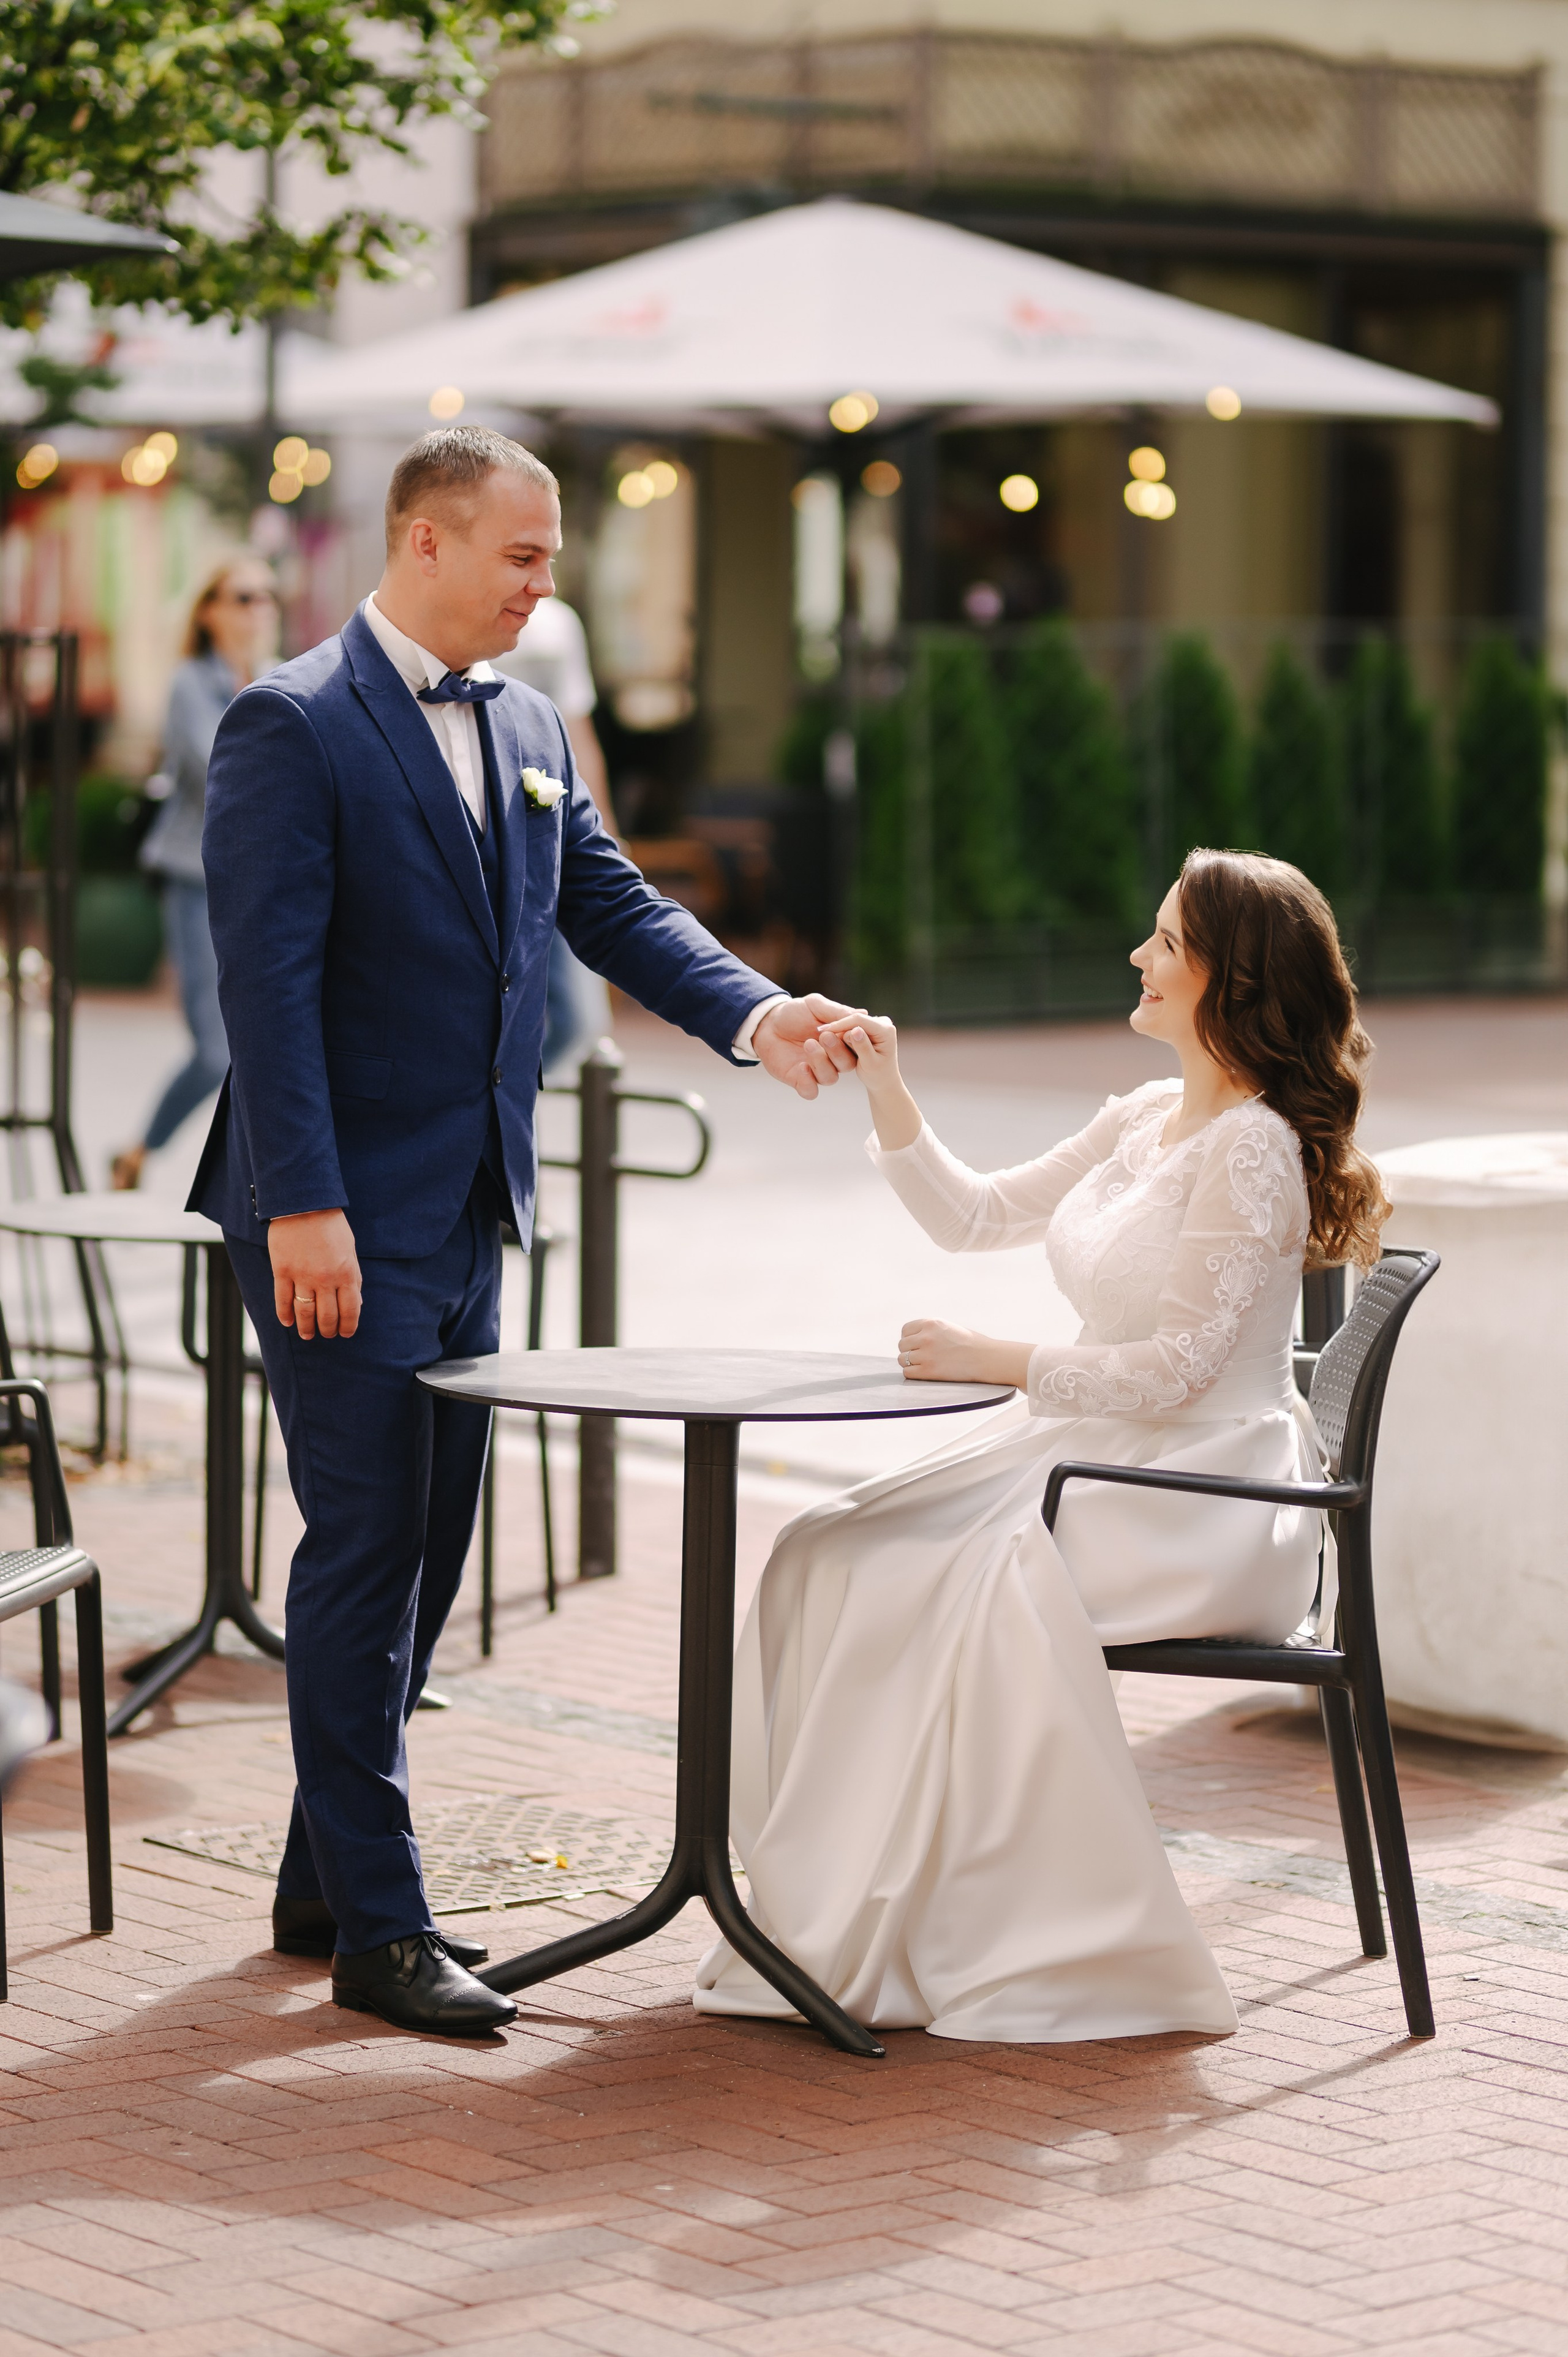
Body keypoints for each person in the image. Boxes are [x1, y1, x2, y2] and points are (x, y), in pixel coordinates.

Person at [192, 423, 861, 2038]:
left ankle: (322, 1880)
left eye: (551, 557)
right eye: (522, 556)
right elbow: (262, 993)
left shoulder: (534, 719)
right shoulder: (289, 724)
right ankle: (384, 1932)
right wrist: (311, 1206)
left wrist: (759, 1018)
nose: (545, 587)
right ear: (424, 542)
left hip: (472, 1204)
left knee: (430, 1556)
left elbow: (610, 904)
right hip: (336, 1218)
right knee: (366, 1549)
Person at [696, 849, 1389, 2043]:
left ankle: (975, 1929)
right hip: (1092, 1452)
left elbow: (1177, 1371)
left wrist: (996, 1360)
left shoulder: (1253, 1149)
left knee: (927, 1573)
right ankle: (831, 1901)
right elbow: (975, 1216)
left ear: (1229, 979)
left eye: (1165, 942)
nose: (1138, 954)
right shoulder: (1140, 1118)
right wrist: (885, 1087)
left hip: (1195, 1490)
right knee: (825, 1542)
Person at [110, 556, 277, 1191]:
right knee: (216, 1049)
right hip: (197, 880)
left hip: (264, 884)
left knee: (268, 1043)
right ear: (209, 610)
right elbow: (222, 774)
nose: (259, 607)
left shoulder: (279, 676)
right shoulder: (190, 683)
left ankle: (257, 1180)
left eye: (268, 596)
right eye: (243, 596)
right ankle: (140, 1151)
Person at [490, 595, 614, 1073]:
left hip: (544, 831)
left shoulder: (558, 626)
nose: (542, 579)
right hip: (483, 844)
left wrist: (606, 832)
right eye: (524, 555)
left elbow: (577, 736)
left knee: (575, 1020)